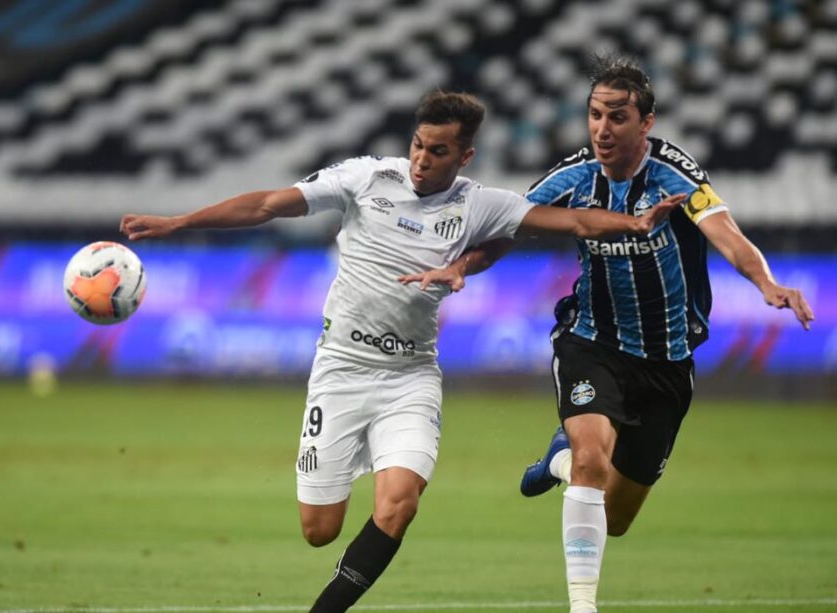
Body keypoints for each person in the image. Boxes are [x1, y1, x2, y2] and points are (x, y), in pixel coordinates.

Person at [120, 90, 680, 612]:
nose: (421, 161)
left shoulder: (478, 204)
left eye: (438, 152)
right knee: (319, 529)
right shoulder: (366, 177)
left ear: (464, 156)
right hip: (341, 370)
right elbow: (268, 204)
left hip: (410, 378)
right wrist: (180, 222)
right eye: (418, 145)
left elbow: (574, 220)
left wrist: (632, 224)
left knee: (399, 504)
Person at [398, 57, 815, 613]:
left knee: (614, 518)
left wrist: (766, 282)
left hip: (667, 361)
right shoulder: (574, 176)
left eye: (617, 117)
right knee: (592, 462)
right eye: (595, 115)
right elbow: (510, 226)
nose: (602, 128)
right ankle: (583, 605)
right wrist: (461, 267)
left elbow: (727, 234)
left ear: (646, 123)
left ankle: (559, 461)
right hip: (591, 342)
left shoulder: (675, 175)